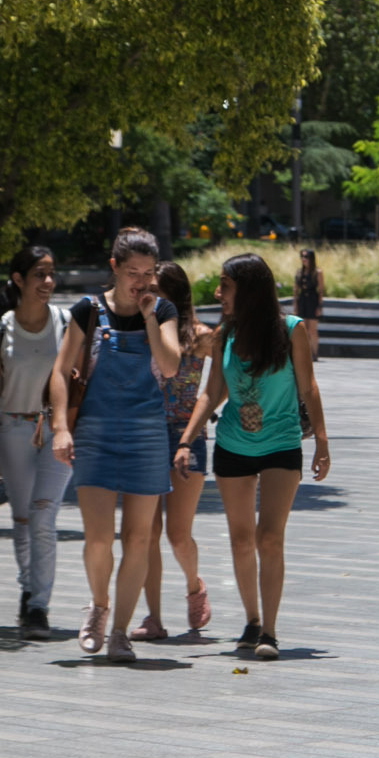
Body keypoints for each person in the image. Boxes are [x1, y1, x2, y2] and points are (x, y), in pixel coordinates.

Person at [175, 253, 330, 661]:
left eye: (224, 285)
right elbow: (211, 393)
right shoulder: (225, 333)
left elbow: (309, 387)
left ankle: (271, 632)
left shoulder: (291, 330)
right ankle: (251, 620)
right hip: (233, 444)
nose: (217, 292)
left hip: (280, 443)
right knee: (242, 540)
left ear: (248, 289)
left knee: (269, 537)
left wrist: (323, 442)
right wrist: (187, 440)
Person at [57, 228, 183, 661]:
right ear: (114, 268)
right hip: (94, 432)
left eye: (149, 273)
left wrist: (149, 316)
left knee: (139, 539)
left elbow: (168, 366)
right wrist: (60, 426)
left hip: (147, 434)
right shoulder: (87, 311)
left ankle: (121, 632)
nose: (142, 282)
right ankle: (99, 605)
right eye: (133, 273)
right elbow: (60, 372)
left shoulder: (163, 310)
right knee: (97, 539)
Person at [0, 246, 72, 641]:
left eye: (51, 274)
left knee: (43, 516)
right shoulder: (0, 331)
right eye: (39, 274)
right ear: (18, 279)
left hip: (56, 431)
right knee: (21, 518)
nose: (48, 282)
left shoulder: (67, 324)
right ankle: (27, 586)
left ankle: (38, 607)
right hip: (13, 429)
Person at [131, 261, 213, 642]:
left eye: (157, 287)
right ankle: (153, 617)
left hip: (187, 436)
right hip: (146, 433)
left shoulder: (200, 337)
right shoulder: (141, 327)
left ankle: (194, 585)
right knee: (148, 532)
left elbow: (220, 385)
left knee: (178, 535)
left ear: (175, 295)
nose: (148, 292)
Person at [293, 250, 326, 361]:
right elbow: (295, 290)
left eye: (306, 257)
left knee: (312, 329)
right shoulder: (299, 272)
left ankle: (315, 353)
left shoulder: (317, 272)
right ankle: (305, 353)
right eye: (302, 256)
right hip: (302, 300)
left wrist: (319, 306)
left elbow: (321, 290)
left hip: (312, 300)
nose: (303, 259)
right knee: (303, 329)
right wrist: (295, 305)